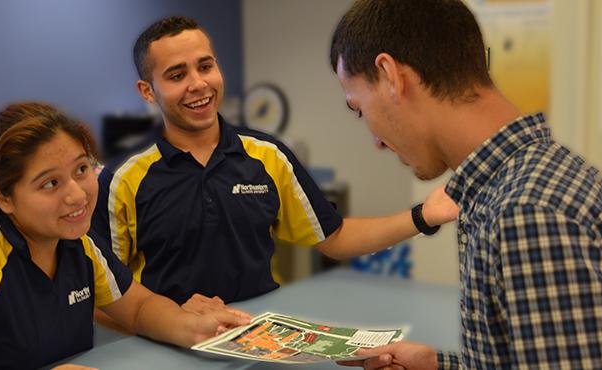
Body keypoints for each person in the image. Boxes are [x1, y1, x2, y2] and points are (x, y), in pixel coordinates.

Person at [329, 0, 602, 369]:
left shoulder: (527, 211)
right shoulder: (516, 183)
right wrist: (441, 365)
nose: (375, 141)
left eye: (359, 109)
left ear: (391, 75)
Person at [91, 15, 458, 312]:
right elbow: (106, 293)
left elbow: (335, 237)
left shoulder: (267, 156)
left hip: (260, 341)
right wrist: (171, 322)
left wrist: (423, 215)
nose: (198, 84)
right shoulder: (123, 179)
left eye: (205, 66)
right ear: (147, 91)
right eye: (176, 75)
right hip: (165, 347)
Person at [0, 102, 249, 370]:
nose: (77, 194)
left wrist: (192, 328)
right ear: (4, 197)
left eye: (81, 169)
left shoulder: (78, 243)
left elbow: (137, 307)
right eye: (50, 183)